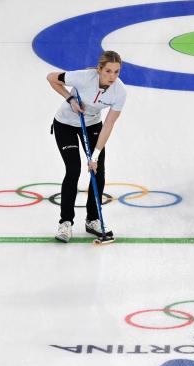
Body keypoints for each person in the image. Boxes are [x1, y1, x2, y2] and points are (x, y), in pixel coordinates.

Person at [46, 51, 127, 243]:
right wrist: (70, 99)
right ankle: (65, 223)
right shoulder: (82, 78)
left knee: (98, 171)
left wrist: (95, 155)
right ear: (99, 69)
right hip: (65, 123)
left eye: (116, 72)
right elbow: (51, 78)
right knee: (73, 170)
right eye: (108, 71)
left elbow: (108, 124)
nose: (112, 77)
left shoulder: (120, 92)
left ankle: (92, 219)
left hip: (92, 125)